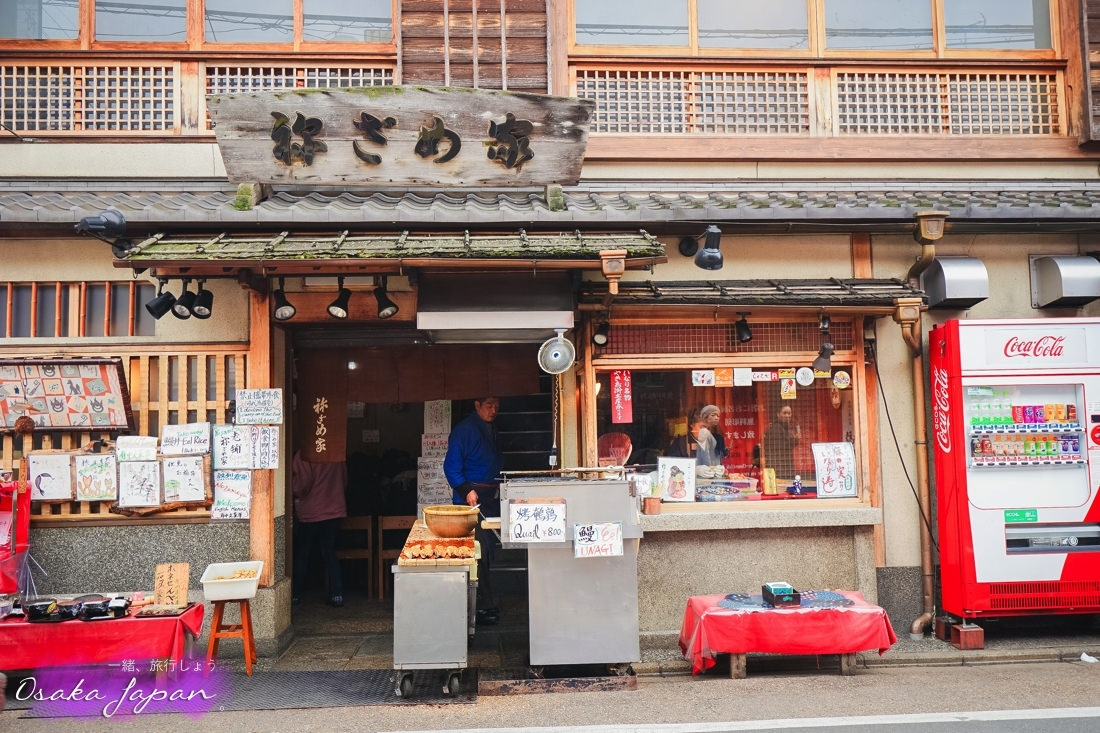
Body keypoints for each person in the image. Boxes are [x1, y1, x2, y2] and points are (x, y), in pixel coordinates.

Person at [443, 396, 503, 625]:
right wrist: (466, 490)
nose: (494, 409)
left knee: (488, 551)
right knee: (479, 551)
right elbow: (451, 467)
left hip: (489, 497)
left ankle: (483, 603)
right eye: (489, 405)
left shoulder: (489, 427)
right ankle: (482, 605)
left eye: (497, 405)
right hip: (470, 500)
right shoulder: (465, 430)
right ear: (477, 405)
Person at [291, 449, 348, 607]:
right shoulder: (336, 453)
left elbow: (300, 486)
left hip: (310, 511)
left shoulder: (304, 454)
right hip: (334, 510)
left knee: (303, 553)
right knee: (329, 552)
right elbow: (344, 480)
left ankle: (296, 594)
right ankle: (337, 594)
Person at [762, 404, 801, 480]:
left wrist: (796, 439)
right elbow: (780, 447)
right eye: (784, 413)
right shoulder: (775, 428)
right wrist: (794, 439)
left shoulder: (787, 427)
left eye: (789, 413)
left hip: (786, 467)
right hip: (778, 469)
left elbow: (788, 444)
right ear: (778, 414)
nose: (787, 416)